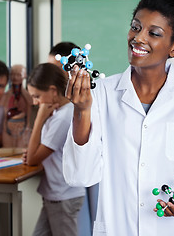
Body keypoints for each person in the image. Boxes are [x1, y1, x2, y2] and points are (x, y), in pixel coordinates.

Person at [62, 0, 174, 235]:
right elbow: (79, 176)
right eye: (136, 27)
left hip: (173, 229)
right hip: (119, 227)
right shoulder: (101, 94)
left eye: (154, 33)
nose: (138, 38)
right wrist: (81, 109)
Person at [23, 63, 85, 236]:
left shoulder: (63, 117)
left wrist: (39, 119)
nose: (35, 102)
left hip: (63, 196)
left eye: (37, 96)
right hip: (56, 196)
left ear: (52, 90)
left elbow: (33, 160)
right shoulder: (60, 113)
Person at [49, 41, 99, 236]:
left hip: (89, 170)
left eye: (56, 69)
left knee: (94, 215)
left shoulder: (87, 97)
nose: (52, 76)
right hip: (68, 182)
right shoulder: (59, 104)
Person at [0, 64, 33, 148]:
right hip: (9, 125)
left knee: (21, 147)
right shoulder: (7, 95)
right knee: (8, 147)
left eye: (18, 75)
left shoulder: (26, 95)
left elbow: (30, 106)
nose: (15, 77)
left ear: (24, 76)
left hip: (22, 125)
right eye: (13, 74)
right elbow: (3, 109)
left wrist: (28, 125)